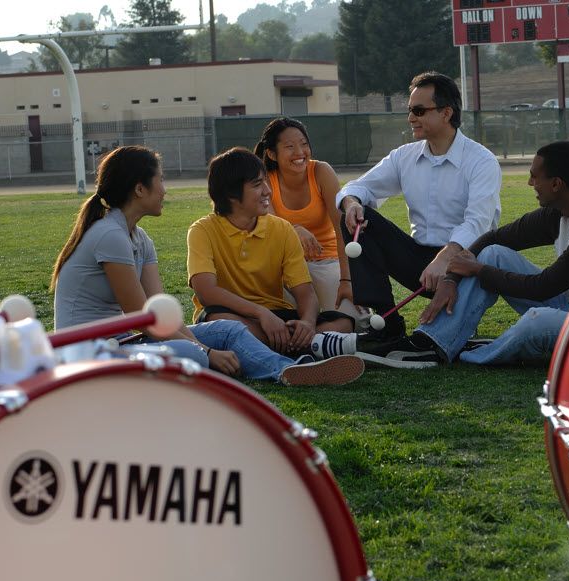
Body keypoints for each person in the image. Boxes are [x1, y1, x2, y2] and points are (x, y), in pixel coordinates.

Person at [52, 145, 363, 386]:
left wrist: (203, 343)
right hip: (90, 351)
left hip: (126, 340)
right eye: (160, 180)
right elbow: (142, 318)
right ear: (139, 188)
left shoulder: (139, 237)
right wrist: (204, 350)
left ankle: (291, 370)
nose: (165, 190)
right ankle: (275, 364)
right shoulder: (110, 236)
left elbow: (161, 313)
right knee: (191, 356)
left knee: (227, 330)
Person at [313, 141, 569, 366]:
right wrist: (453, 277)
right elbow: (493, 237)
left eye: (534, 176)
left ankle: (471, 355)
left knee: (537, 321)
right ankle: (435, 345)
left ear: (556, 184)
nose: (529, 182)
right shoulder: (564, 209)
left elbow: (542, 287)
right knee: (495, 251)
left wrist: (477, 271)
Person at [335, 71, 502, 339]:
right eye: (410, 110)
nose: (411, 117)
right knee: (359, 216)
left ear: (446, 113)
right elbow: (358, 187)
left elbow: (478, 223)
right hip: (419, 265)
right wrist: (351, 202)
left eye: (419, 110)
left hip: (464, 266)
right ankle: (386, 324)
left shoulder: (482, 161)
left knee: (433, 340)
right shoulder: (404, 156)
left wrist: (444, 258)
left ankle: (453, 318)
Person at [187, 147, 356, 358]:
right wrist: (261, 313)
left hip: (276, 317)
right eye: (257, 185)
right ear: (231, 193)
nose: (268, 191)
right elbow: (206, 292)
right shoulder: (202, 230)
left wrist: (307, 323)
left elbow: (305, 292)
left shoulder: (282, 229)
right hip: (234, 315)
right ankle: (306, 347)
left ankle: (277, 345)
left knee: (343, 322)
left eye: (266, 182)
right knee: (221, 322)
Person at [252, 117, 361, 323]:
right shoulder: (265, 179)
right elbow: (270, 223)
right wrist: (294, 229)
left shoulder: (321, 171)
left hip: (326, 261)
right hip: (286, 267)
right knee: (286, 322)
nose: (300, 153)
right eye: (290, 147)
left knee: (353, 321)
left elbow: (341, 229)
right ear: (272, 154)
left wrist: (346, 280)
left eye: (304, 144)